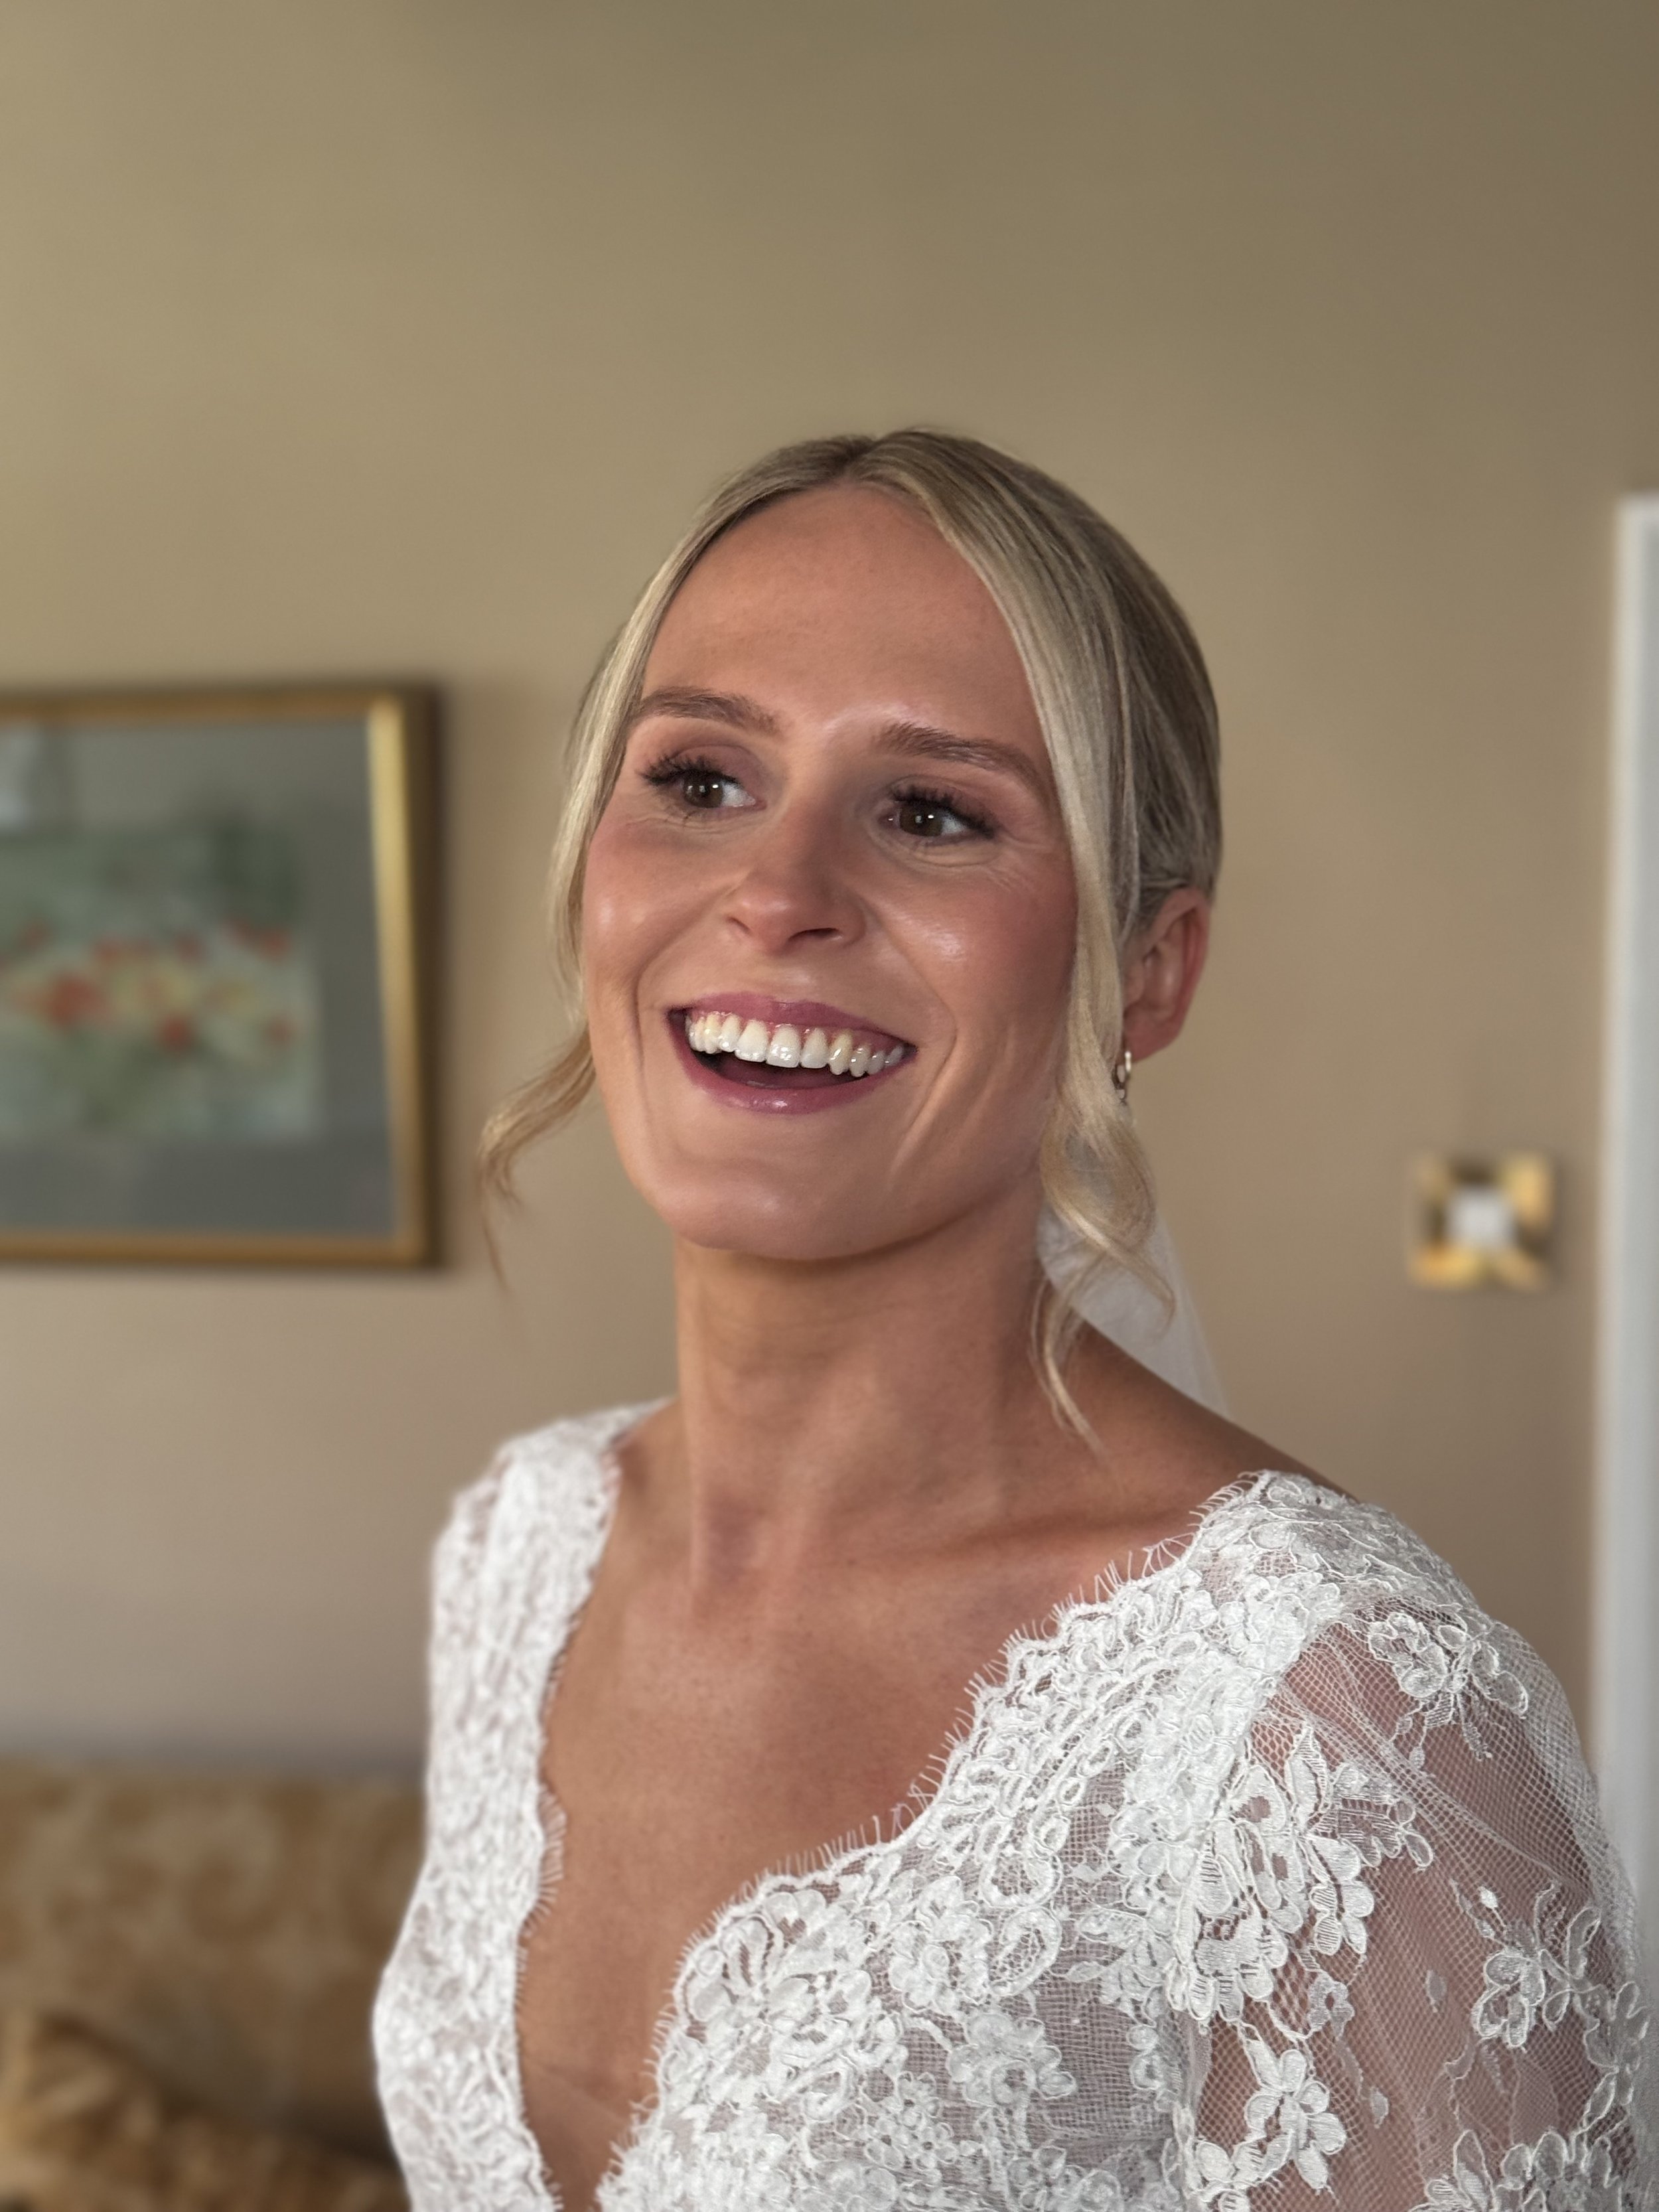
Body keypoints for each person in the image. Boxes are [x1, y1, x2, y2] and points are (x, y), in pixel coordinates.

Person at [374, 431, 1652, 2212]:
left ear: (1146, 969)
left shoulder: (1326, 1713)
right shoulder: (519, 1546)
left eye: (932, 812)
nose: (778, 890)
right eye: (700, 778)